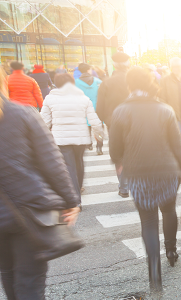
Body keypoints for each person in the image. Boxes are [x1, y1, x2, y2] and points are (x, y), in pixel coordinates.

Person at [109, 67, 181, 294]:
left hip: (139, 173)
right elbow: (178, 145)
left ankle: (154, 272)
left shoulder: (120, 111)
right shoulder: (165, 110)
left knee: (148, 222)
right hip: (168, 171)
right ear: (151, 84)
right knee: (168, 211)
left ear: (130, 85)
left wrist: (119, 163)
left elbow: (115, 147)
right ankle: (172, 250)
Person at [0, 82, 81, 300]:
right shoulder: (22, 114)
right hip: (28, 211)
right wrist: (71, 201)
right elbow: (52, 162)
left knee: (7, 274)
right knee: (30, 283)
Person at [40, 74, 103, 197]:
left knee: (68, 165)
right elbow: (95, 121)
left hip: (60, 139)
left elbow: (44, 122)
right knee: (78, 162)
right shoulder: (83, 98)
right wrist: (98, 136)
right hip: (81, 139)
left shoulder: (50, 98)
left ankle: (75, 197)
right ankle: (78, 188)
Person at [96, 52, 131, 197]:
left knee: (119, 155)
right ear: (128, 63)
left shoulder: (106, 82)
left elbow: (99, 108)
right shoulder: (134, 80)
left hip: (114, 124)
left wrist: (107, 120)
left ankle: (123, 187)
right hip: (136, 122)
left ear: (114, 65)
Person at [75, 63, 103, 154]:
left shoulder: (76, 83)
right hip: (97, 108)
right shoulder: (97, 81)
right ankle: (99, 147)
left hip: (83, 108)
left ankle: (89, 144)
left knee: (86, 127)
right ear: (88, 70)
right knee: (98, 128)